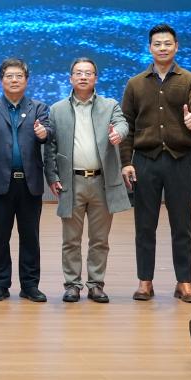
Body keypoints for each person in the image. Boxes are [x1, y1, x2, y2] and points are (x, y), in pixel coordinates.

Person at [120, 24, 191, 303]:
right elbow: (126, 125)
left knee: (182, 225)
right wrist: (126, 162)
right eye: (157, 44)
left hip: (179, 161)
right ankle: (145, 281)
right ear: (150, 48)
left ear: (176, 46)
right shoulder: (135, 83)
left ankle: (184, 282)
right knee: (144, 226)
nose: (162, 48)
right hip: (144, 162)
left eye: (167, 43)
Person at [43, 57, 129, 304]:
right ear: (71, 78)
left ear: (95, 78)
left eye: (88, 73)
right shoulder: (57, 109)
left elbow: (122, 124)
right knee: (70, 239)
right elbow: (50, 147)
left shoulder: (110, 105)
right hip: (72, 182)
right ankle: (72, 285)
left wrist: (118, 133)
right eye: (78, 73)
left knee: (100, 240)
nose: (83, 77)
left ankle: (96, 284)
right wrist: (52, 177)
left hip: (102, 182)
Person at [0, 58, 52, 303]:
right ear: (1, 80)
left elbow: (48, 133)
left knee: (30, 237)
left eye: (19, 76)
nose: (14, 80)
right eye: (9, 76)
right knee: (0, 236)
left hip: (29, 183)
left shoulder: (39, 108)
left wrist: (44, 133)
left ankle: (30, 285)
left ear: (27, 80)